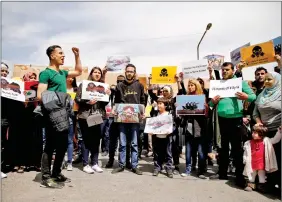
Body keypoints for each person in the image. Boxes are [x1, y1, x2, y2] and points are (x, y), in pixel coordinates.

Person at [37, 45, 82, 189]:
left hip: (64, 113)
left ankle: (56, 173)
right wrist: (59, 100)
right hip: (52, 114)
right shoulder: (46, 73)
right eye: (60, 53)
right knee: (50, 145)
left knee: (62, 145)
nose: (63, 56)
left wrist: (77, 55)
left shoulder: (62, 73)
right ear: (52, 55)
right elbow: (40, 95)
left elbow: (79, 71)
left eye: (63, 53)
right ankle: (45, 176)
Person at [209, 62, 256, 188]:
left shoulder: (239, 82)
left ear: (233, 70)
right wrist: (213, 102)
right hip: (221, 119)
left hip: (235, 119)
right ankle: (222, 173)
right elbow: (211, 104)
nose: (224, 72)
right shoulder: (219, 84)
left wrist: (246, 96)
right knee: (222, 148)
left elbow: (253, 96)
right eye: (223, 70)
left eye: (227, 70)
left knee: (236, 149)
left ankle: (239, 177)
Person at [75, 67, 111, 174]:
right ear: (91, 73)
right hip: (85, 116)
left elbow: (104, 103)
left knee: (96, 140)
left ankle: (94, 163)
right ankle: (85, 164)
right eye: (95, 72)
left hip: (98, 116)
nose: (97, 74)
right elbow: (77, 99)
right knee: (86, 140)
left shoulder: (103, 87)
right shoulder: (84, 85)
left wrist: (108, 95)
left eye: (99, 72)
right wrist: (87, 102)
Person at [111, 64, 146, 175]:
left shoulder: (139, 85)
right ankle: (121, 165)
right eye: (128, 71)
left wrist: (143, 111)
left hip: (135, 118)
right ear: (125, 72)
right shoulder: (119, 86)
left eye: (132, 71)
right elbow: (115, 101)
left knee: (134, 143)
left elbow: (143, 101)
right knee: (122, 143)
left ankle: (134, 166)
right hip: (122, 118)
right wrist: (114, 109)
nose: (129, 73)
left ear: (134, 73)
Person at [253, 71, 281, 189]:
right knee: (267, 158)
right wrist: (258, 122)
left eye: (270, 79)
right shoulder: (261, 95)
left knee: (278, 158)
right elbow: (255, 113)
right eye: (266, 80)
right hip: (265, 131)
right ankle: (270, 183)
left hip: (278, 130)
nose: (267, 81)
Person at [178, 79, 208, 179]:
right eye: (189, 85)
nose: (190, 87)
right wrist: (180, 108)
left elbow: (206, 115)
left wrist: (205, 108)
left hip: (200, 127)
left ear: (196, 86)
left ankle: (201, 171)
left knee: (200, 151)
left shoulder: (201, 98)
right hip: (188, 127)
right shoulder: (186, 98)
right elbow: (182, 114)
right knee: (188, 150)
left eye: (192, 85)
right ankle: (188, 170)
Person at [243, 126, 281, 192]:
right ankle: (250, 186)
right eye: (252, 132)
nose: (252, 134)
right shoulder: (249, 143)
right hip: (252, 164)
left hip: (262, 164)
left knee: (262, 176)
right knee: (252, 175)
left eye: (255, 133)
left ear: (261, 134)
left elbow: (275, 140)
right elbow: (246, 153)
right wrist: (245, 159)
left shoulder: (266, 141)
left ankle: (261, 187)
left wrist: (279, 131)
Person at [152, 97, 173, 178]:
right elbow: (152, 124)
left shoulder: (169, 114)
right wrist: (151, 131)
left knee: (168, 153)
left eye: (160, 104)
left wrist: (169, 131)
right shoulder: (155, 114)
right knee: (157, 153)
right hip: (157, 137)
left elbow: (171, 126)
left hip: (166, 137)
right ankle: (157, 167)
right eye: (158, 103)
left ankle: (169, 168)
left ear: (165, 106)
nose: (159, 105)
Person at [65, 77, 78, 171]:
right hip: (59, 116)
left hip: (71, 116)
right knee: (60, 140)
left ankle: (69, 161)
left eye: (72, 78)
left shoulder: (76, 90)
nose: (70, 79)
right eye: (68, 77)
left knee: (70, 140)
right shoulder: (60, 88)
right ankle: (61, 160)